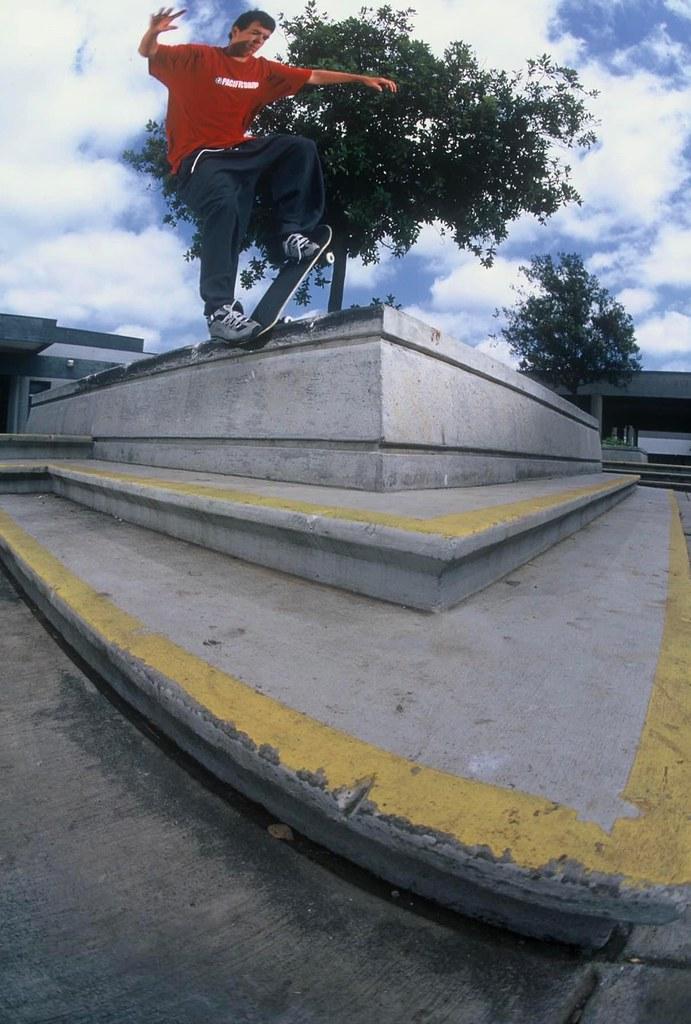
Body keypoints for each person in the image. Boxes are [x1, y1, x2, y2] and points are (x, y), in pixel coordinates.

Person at [139, 7, 397, 342]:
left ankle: (291, 233)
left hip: (241, 153)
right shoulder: (197, 58)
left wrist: (360, 79)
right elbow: (150, 53)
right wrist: (154, 32)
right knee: (225, 207)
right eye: (253, 34)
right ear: (234, 30)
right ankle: (219, 311)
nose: (257, 43)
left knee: (299, 148)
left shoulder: (263, 72)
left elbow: (312, 75)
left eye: (264, 39)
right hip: (200, 159)